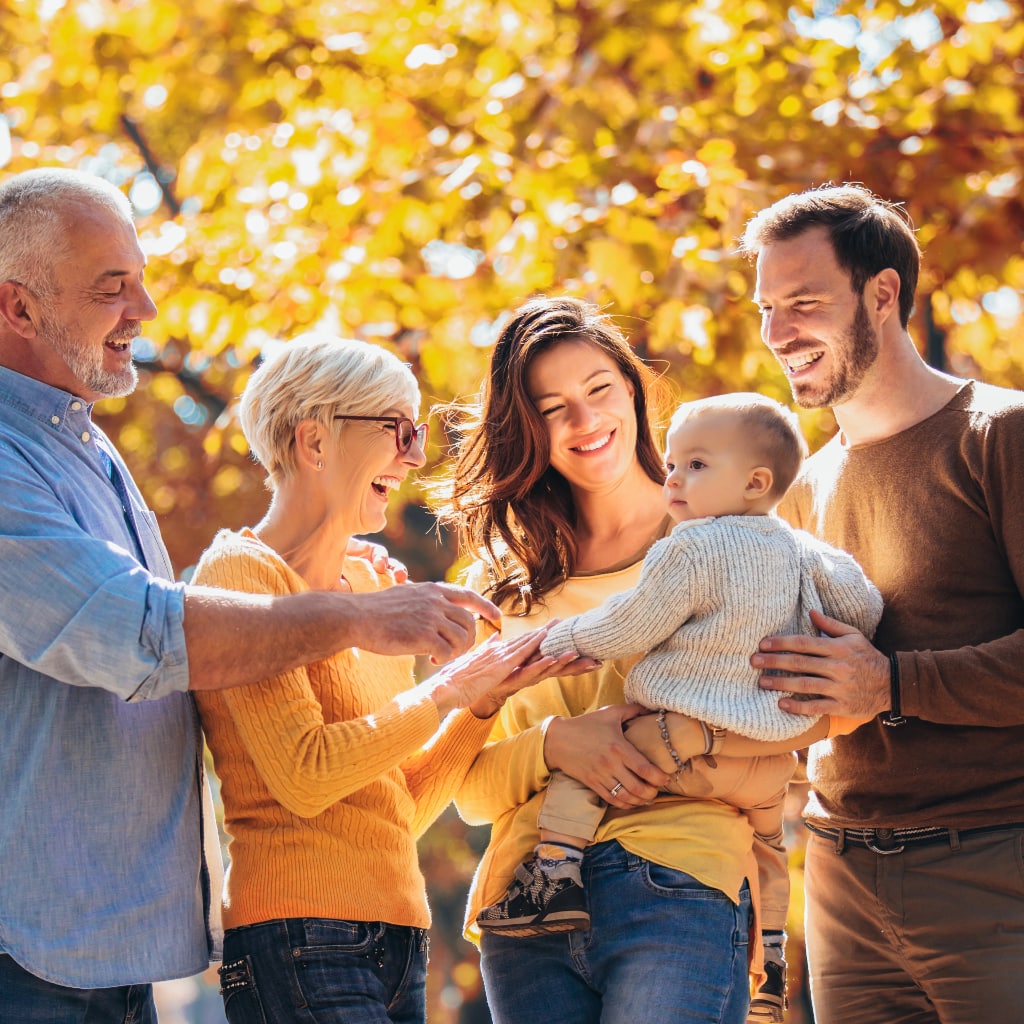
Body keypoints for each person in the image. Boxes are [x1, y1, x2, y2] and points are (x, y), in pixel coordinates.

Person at [0, 167, 504, 1022]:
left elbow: (385, 803)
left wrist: (483, 696)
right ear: (17, 308)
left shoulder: (89, 454)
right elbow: (139, 633)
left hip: (110, 944)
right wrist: (363, 624)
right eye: (112, 288)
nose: (146, 313)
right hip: (33, 940)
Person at [434, 296, 819, 1024]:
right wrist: (556, 746)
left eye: (599, 390)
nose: (584, 422)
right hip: (527, 910)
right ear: (529, 431)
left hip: (682, 878)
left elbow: (822, 706)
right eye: (552, 408)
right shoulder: (497, 586)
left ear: (634, 391)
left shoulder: (738, 529)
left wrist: (671, 738)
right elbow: (471, 793)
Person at [192, 334, 586, 1024]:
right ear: (314, 441)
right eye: (397, 430)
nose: (414, 454)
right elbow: (306, 776)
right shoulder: (241, 577)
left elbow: (397, 802)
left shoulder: (375, 583)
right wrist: (442, 692)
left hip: (399, 938)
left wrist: (484, 701)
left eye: (419, 431)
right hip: (296, 935)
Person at [472, 393, 882, 1018]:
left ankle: (554, 874)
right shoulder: (802, 550)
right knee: (769, 842)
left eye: (694, 466)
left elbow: (629, 626)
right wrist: (834, 636)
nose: (675, 479)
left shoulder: (685, 549)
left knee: (592, 773)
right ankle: (771, 962)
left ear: (754, 481)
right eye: (674, 465)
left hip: (673, 814)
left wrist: (558, 644)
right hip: (754, 751)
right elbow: (864, 605)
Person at [739, 183, 1024, 1024]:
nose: (778, 334)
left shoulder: (998, 436)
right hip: (839, 880)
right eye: (767, 309)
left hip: (994, 865)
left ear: (883, 294)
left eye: (803, 303)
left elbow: (873, 682)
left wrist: (892, 685)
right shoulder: (799, 490)